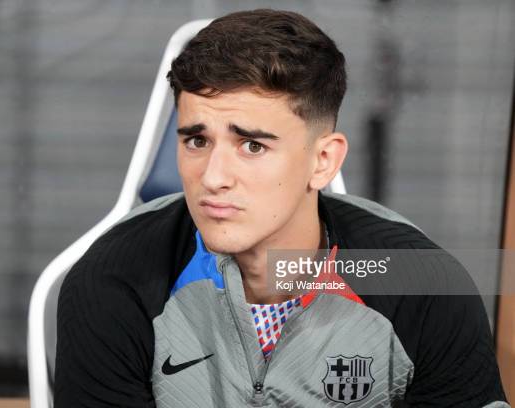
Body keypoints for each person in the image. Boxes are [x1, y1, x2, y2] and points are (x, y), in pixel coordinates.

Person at [54, 9, 509, 407]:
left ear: (323, 160)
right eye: (196, 140)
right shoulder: (114, 280)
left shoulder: (421, 282)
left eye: (252, 145)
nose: (212, 177)